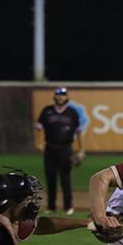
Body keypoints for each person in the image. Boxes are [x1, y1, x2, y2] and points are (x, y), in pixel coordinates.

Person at [34, 87, 83, 215]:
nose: (60, 97)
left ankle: (68, 207)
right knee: (50, 178)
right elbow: (38, 128)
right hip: (50, 148)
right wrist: (39, 143)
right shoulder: (47, 111)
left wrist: (81, 149)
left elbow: (78, 133)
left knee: (65, 178)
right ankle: (51, 207)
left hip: (66, 149)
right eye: (58, 95)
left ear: (67, 97)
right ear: (54, 97)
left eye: (63, 95)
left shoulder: (72, 112)